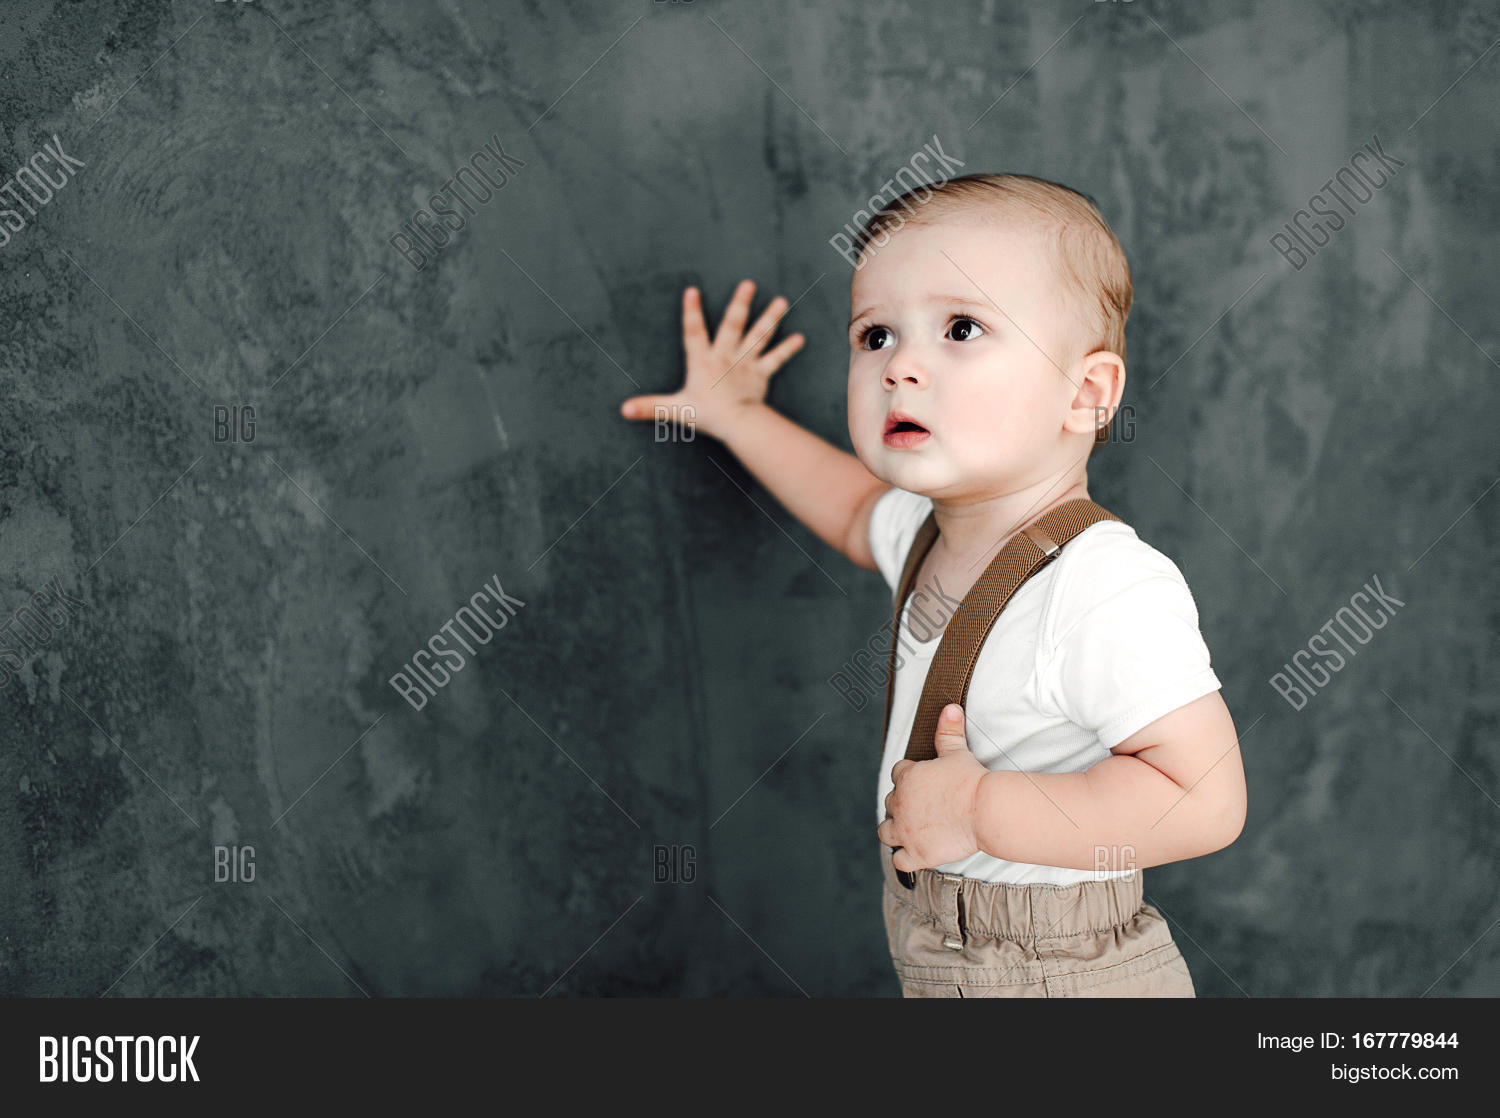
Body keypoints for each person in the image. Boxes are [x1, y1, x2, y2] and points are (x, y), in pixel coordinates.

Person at [620, 173, 1246, 997]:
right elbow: (852, 510)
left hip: (1062, 974)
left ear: (1086, 394)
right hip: (944, 949)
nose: (900, 366)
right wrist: (739, 415)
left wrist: (980, 812)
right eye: (875, 334)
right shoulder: (928, 530)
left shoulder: (1100, 583)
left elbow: (1204, 800)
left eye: (961, 328)